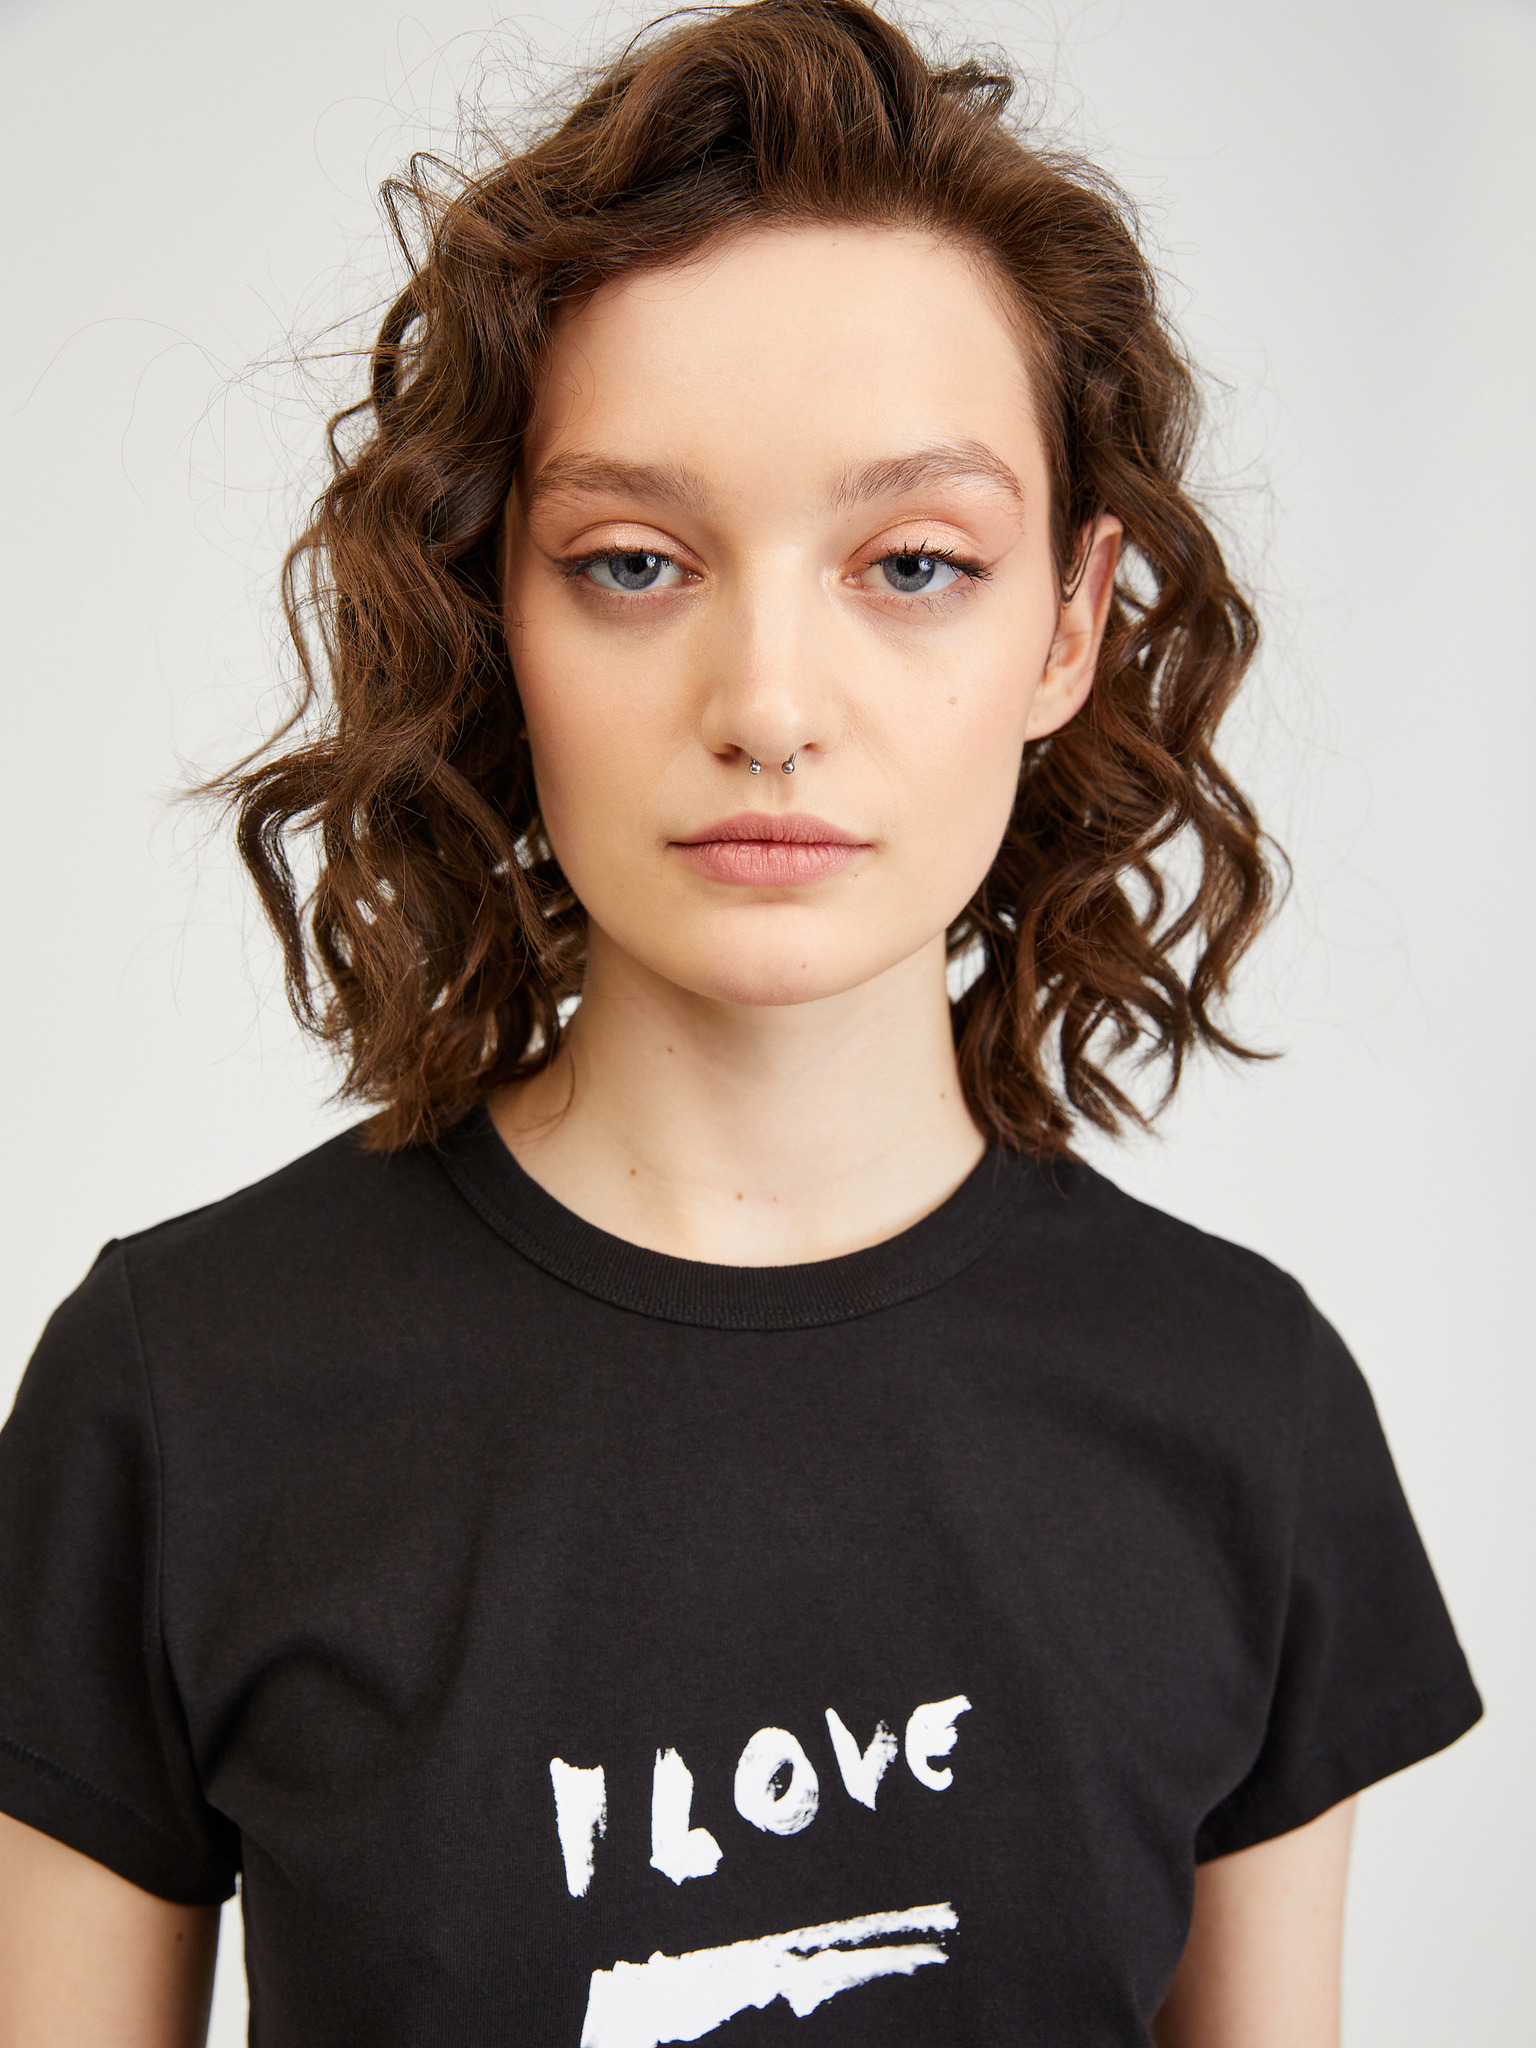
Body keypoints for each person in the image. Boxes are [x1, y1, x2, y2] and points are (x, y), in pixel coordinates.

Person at [0, 2, 1481, 2043]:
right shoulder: (184, 1393)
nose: (770, 702)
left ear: (1070, 619)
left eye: (914, 563)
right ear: (494, 608)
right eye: (632, 560)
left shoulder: (1245, 1409)